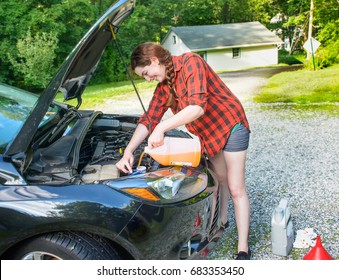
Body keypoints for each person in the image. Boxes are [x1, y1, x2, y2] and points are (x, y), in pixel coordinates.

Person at [116, 42, 251, 260]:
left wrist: (162, 128)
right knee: (220, 179)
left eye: (146, 73)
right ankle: (222, 222)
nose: (147, 79)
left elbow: (197, 107)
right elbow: (149, 119)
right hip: (209, 135)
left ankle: (243, 248)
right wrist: (128, 151)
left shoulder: (191, 62)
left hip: (231, 124)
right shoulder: (164, 88)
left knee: (236, 187)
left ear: (154, 61)